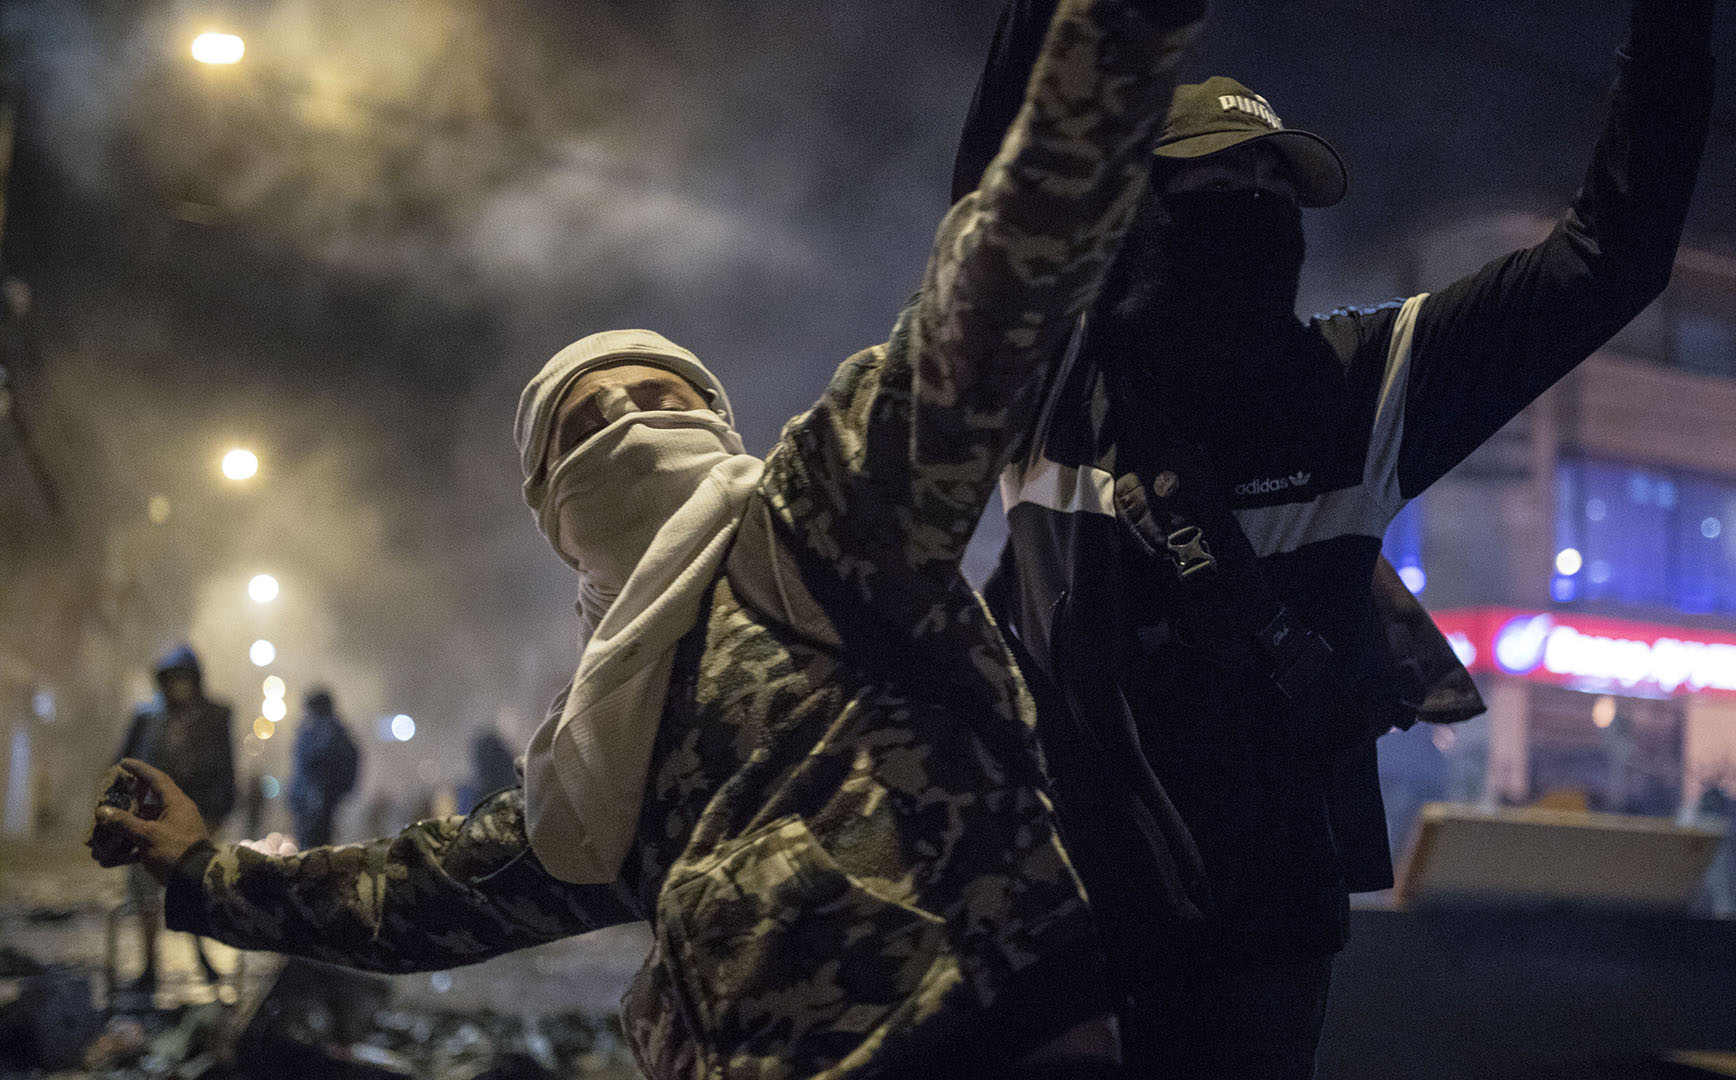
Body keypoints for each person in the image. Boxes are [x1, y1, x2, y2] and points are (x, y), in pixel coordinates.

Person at [89, 1, 1206, 1076]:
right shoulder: (598, 748)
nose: (627, 418)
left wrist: (1113, 34)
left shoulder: (822, 516)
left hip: (990, 1043)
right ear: (555, 514)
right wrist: (201, 871)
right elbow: (423, 894)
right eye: (585, 421)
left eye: (659, 395)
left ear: (719, 424)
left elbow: (1002, 274)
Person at [949, 1, 1716, 1075]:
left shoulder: (1365, 384)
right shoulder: (1053, 374)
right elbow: (993, 211)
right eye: (1222, 181)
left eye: (1279, 190)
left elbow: (1615, 256)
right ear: (1141, 206)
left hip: (1263, 946)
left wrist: (1673, 32)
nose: (1260, 205)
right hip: (1056, 928)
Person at [113, 644, 236, 992]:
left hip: (192, 819)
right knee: (144, 893)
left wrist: (216, 815)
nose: (179, 686)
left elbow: (225, 772)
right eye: (173, 679)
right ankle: (149, 967)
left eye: (185, 678)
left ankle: (202, 957)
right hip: (145, 818)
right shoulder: (147, 717)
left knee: (191, 889)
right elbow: (123, 763)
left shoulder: (215, 716)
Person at [287, 688, 360, 848]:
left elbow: (310, 764)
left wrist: (317, 793)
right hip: (317, 798)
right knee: (318, 845)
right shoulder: (334, 731)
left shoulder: (323, 731)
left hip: (315, 799)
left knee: (312, 848)